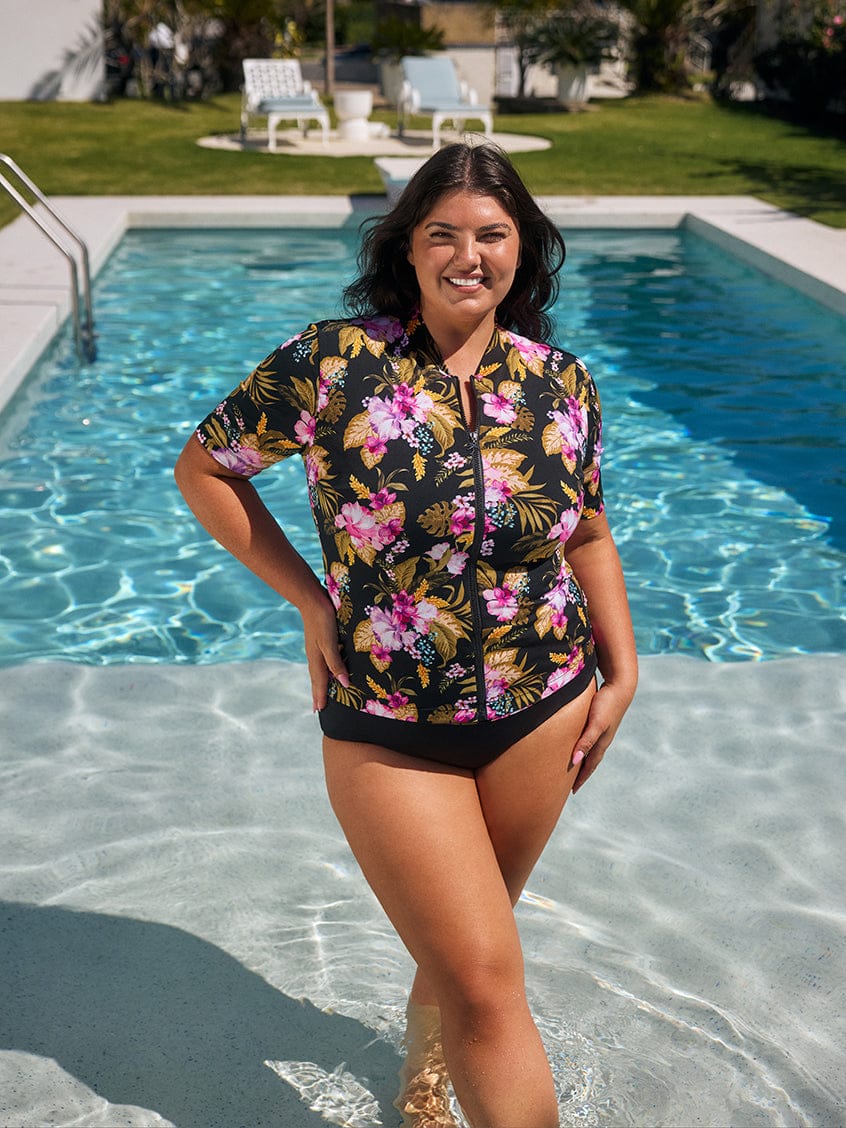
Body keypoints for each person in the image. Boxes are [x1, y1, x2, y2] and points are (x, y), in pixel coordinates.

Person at [174, 141, 637, 1128]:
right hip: (387, 720)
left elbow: (588, 528)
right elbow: (206, 470)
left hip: (540, 710)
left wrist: (623, 665)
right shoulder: (333, 363)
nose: (469, 255)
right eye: (444, 235)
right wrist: (311, 603)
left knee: (469, 954)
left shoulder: (563, 384)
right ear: (409, 248)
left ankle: (423, 1101)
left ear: (525, 249)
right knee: (482, 974)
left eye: (493, 235)